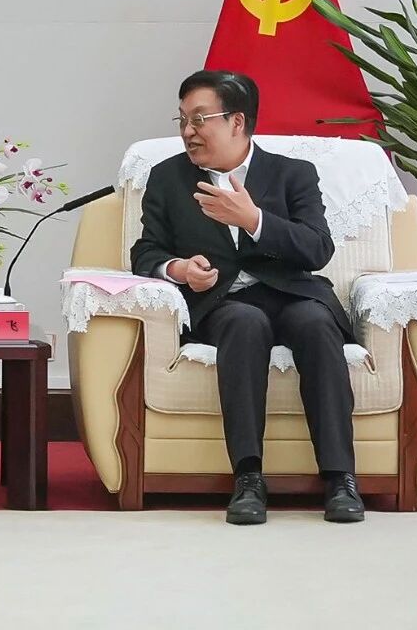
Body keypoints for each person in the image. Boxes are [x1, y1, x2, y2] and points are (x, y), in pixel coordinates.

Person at [130, 70, 364, 525]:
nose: (188, 131)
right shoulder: (168, 177)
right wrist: (179, 269)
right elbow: (146, 251)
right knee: (244, 323)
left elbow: (318, 248)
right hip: (223, 303)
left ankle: (340, 478)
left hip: (293, 294)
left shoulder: (292, 173)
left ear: (237, 121)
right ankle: (248, 478)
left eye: (200, 119)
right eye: (182, 119)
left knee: (317, 324)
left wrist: (254, 219)